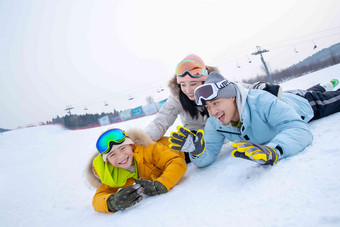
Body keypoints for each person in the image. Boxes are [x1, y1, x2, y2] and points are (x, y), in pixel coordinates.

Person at [169, 72, 340, 167]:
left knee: (331, 97)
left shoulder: (260, 101)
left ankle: (331, 82)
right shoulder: (215, 123)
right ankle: (328, 82)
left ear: (232, 97)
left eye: (216, 102)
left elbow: (299, 129)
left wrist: (273, 151)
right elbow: (207, 156)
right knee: (319, 88)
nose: (212, 111)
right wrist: (196, 151)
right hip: (285, 100)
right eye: (207, 107)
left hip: (304, 103)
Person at [145, 54, 281, 163]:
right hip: (196, 138)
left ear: (204, 80)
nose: (188, 90)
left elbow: (238, 89)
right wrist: (141, 140)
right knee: (172, 150)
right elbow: (160, 121)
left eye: (193, 84)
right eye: (183, 85)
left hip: (222, 132)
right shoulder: (176, 98)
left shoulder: (216, 86)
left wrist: (261, 88)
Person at [86, 128, 187, 213]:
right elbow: (97, 199)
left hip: (184, 150)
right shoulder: (112, 174)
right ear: (107, 161)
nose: (121, 156)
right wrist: (113, 202)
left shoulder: (148, 148)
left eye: (123, 148)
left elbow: (177, 162)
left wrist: (161, 184)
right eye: (112, 154)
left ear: (131, 146)